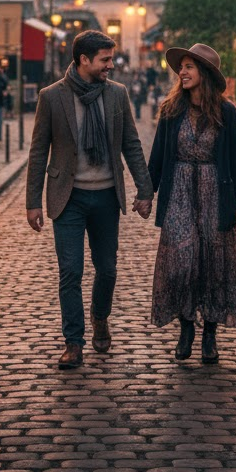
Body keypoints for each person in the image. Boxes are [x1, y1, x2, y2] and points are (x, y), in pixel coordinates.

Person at [26, 30, 154, 369]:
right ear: (84, 60)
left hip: (106, 197)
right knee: (70, 271)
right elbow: (39, 151)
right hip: (68, 198)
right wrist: (32, 201)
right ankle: (73, 342)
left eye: (111, 59)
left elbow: (131, 144)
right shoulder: (52, 97)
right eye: (105, 60)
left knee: (108, 269)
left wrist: (145, 190)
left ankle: (100, 316)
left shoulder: (116, 95)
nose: (111, 65)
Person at [149, 43, 236, 364]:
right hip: (179, 192)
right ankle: (185, 328)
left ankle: (209, 334)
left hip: (214, 194)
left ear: (204, 73)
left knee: (212, 264)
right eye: (181, 67)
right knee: (181, 262)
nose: (182, 72)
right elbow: (157, 158)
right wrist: (145, 193)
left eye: (190, 67)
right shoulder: (171, 110)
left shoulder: (227, 112)